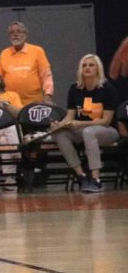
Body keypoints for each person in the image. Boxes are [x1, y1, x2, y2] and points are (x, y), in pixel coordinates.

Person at [50, 54, 121, 193]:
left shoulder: (107, 89)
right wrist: (59, 125)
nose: (87, 68)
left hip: (106, 131)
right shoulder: (75, 89)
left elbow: (106, 121)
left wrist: (80, 124)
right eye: (84, 65)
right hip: (81, 130)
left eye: (91, 65)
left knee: (90, 132)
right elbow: (70, 116)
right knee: (61, 134)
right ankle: (81, 175)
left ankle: (96, 179)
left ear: (98, 69)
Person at [0, 21, 54, 106]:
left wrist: (48, 97)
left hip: (35, 103)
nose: (15, 34)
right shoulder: (4, 53)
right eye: (12, 32)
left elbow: (46, 77)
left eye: (19, 31)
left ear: (25, 34)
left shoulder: (37, 51)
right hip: (11, 104)